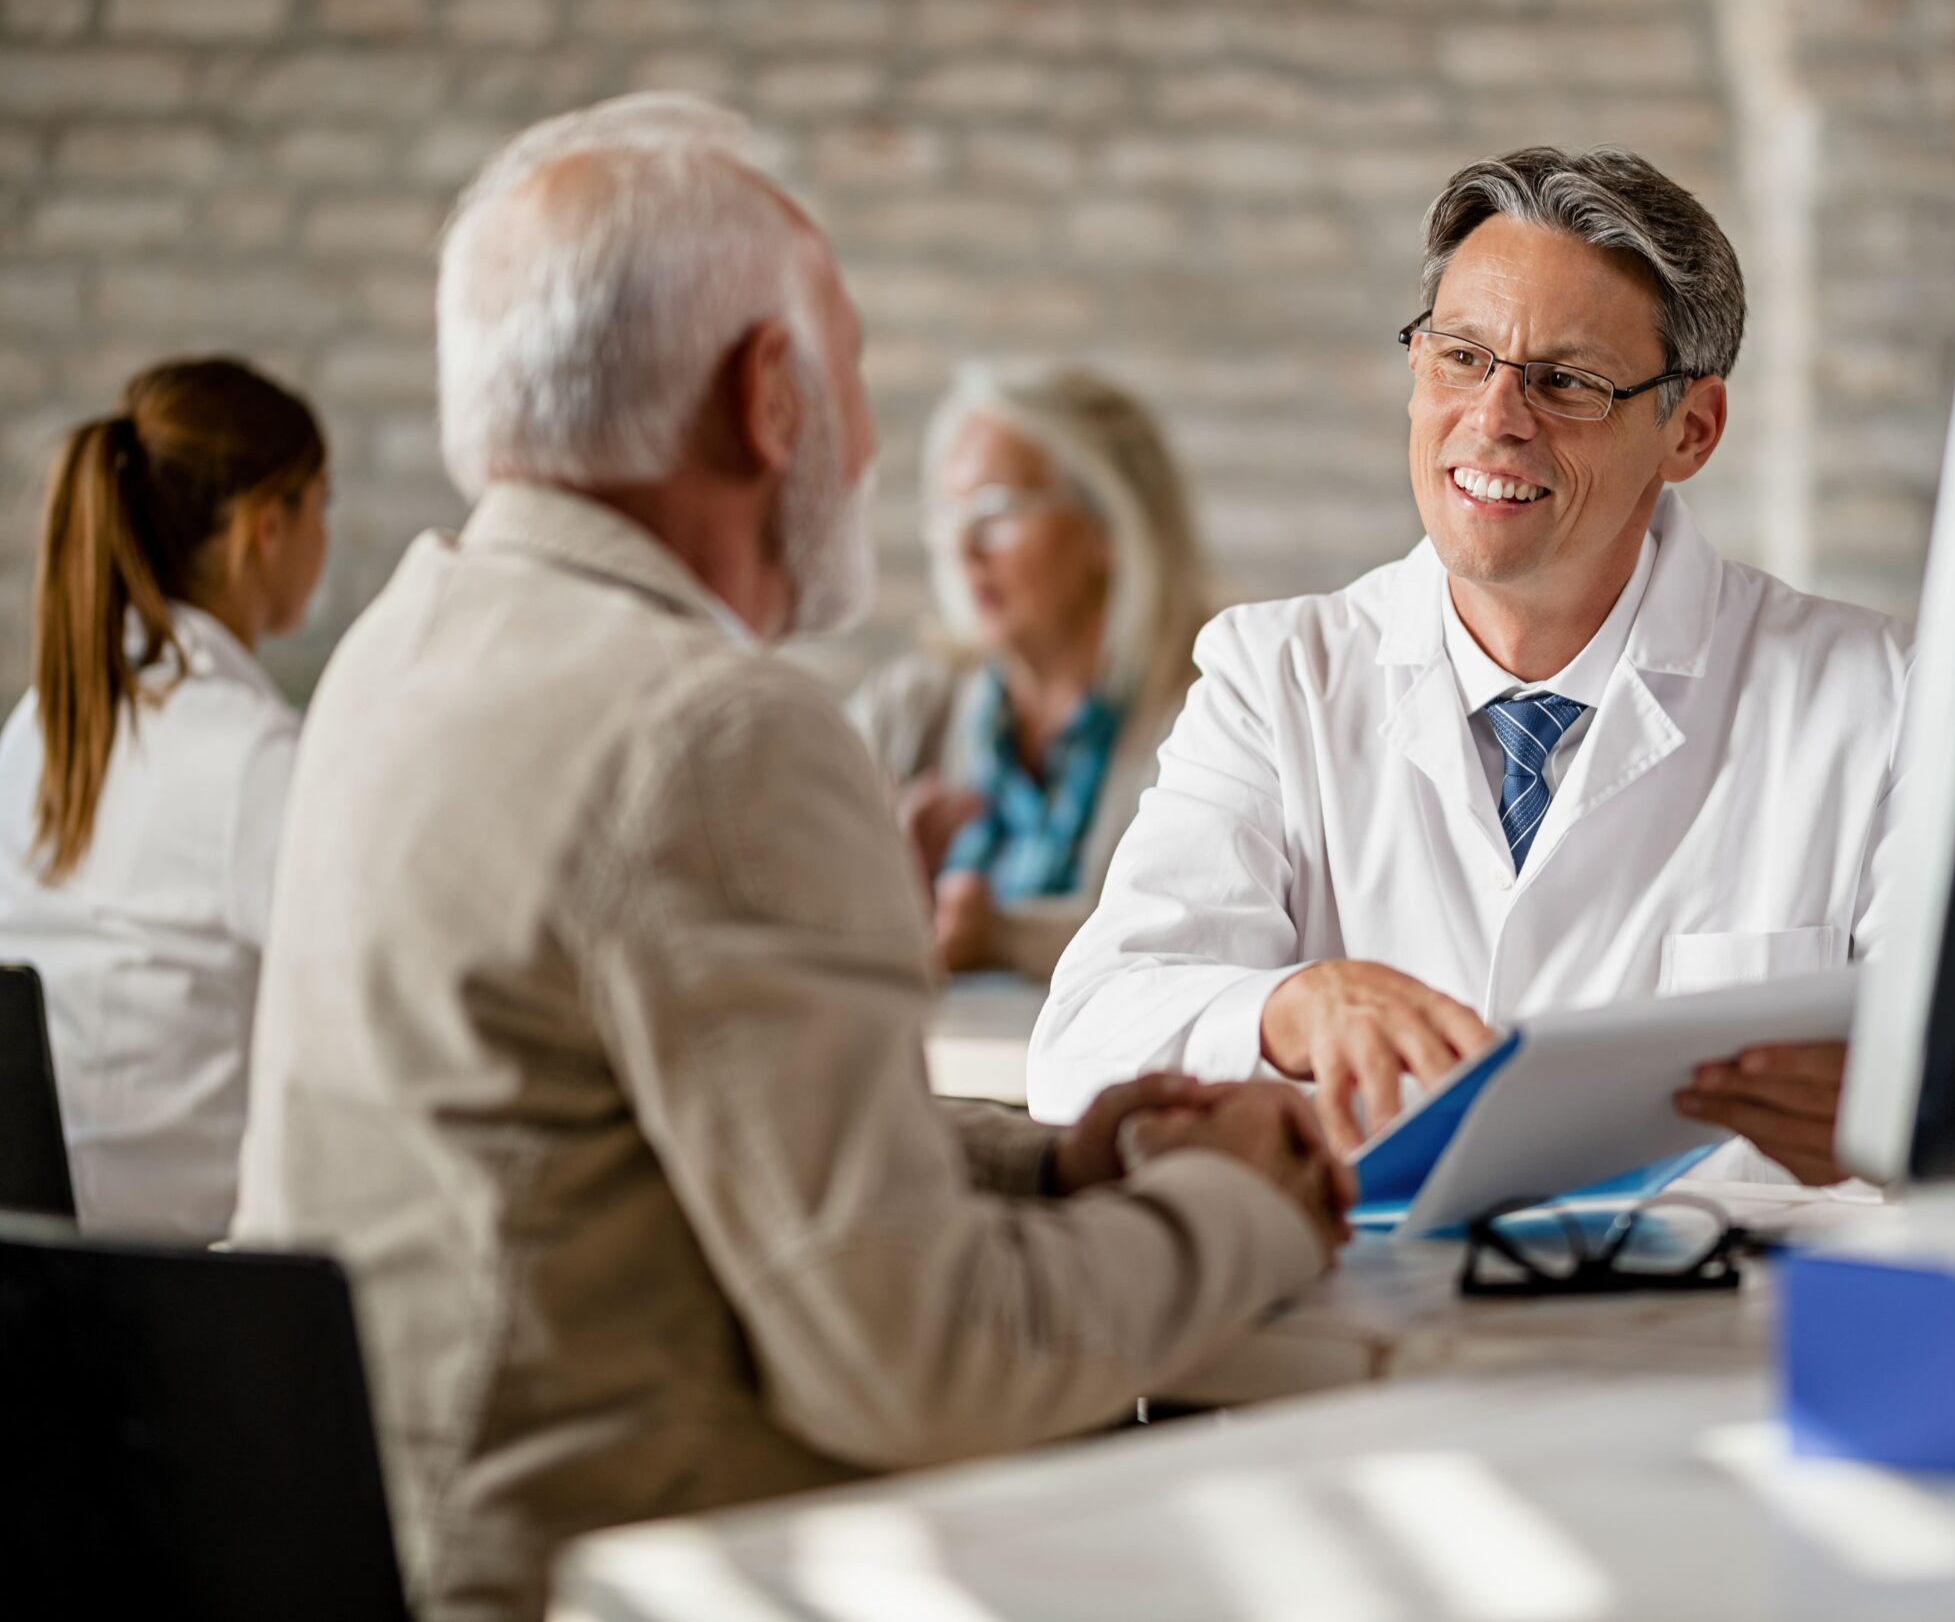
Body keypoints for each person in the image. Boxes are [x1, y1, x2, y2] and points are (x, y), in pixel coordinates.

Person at [230, 94, 1347, 1622]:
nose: (873, 441)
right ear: (770, 393)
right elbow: (938, 1368)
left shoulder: (402, 646)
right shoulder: (714, 731)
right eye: (857, 373)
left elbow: (627, 1126)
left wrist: (1057, 1156)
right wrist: (1243, 1205)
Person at [1029, 146, 1912, 1186]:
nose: (1495, 419)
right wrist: (1289, 1008)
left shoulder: (1886, 699)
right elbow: (1081, 1043)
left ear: (1692, 429)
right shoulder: (1274, 680)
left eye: (1566, 382)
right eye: (1461, 358)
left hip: (1727, 1335)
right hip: (1376, 1329)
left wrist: (1896, 1119)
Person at [0, 359, 329, 1236]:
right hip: (176, 1294)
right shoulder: (255, 756)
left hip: (35, 1276)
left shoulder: (37, 726)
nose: (325, 532)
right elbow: (354, 1014)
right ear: (268, 525)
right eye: (319, 502)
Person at [850, 363, 1213, 980]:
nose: (963, 549)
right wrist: (863, 879)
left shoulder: (1209, 714)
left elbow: (1207, 933)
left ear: (1109, 529)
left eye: (996, 509)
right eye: (949, 515)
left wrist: (1004, 937)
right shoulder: (907, 708)